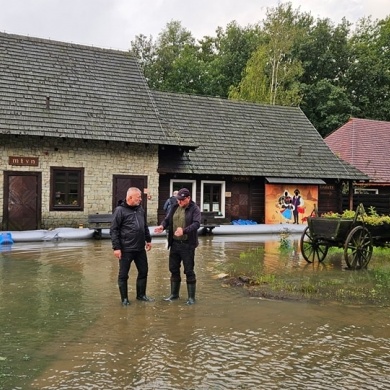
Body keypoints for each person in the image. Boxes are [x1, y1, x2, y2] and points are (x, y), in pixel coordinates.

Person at [154, 188, 201, 305]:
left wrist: (184, 231)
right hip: (174, 243)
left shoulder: (194, 209)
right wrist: (162, 227)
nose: (179, 202)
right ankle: (174, 295)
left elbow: (197, 224)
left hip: (187, 245)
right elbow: (167, 220)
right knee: (173, 269)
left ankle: (191, 298)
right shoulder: (175, 206)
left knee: (189, 270)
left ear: (188, 198)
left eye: (182, 200)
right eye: (178, 199)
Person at [110, 187, 153, 305]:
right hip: (126, 249)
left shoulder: (140, 209)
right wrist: (116, 248)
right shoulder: (119, 210)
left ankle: (141, 295)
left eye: (140, 197)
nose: (140, 199)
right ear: (130, 198)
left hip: (140, 248)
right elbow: (114, 230)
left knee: (143, 271)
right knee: (123, 274)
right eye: (138, 197)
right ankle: (124, 299)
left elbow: (144, 226)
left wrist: (148, 240)